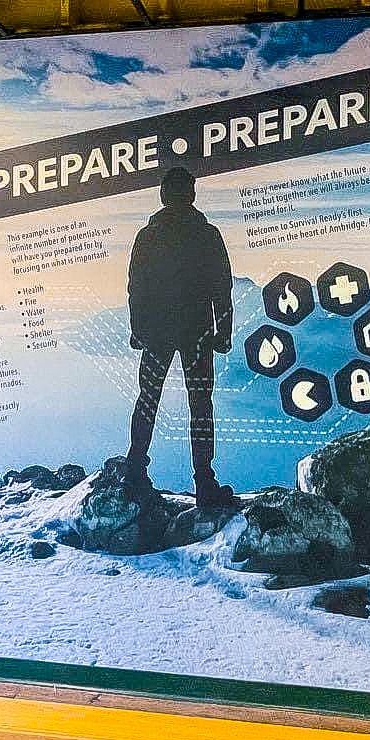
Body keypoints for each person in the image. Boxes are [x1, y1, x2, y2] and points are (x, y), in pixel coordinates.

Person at [126, 167, 235, 506]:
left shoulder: (148, 236)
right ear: (192, 195)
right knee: (200, 404)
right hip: (197, 332)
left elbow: (136, 288)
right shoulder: (208, 235)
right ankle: (205, 483)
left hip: (157, 333)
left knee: (148, 399)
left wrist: (138, 331)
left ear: (163, 196)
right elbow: (222, 288)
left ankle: (135, 471)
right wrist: (223, 332)